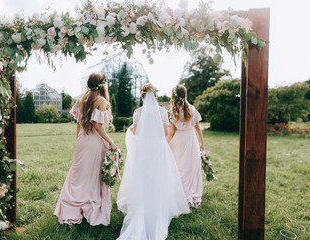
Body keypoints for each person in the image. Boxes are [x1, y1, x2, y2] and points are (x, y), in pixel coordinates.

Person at [117, 83, 189, 240]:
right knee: (157, 178)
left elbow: (135, 133)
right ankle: (157, 206)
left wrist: (130, 130)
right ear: (154, 95)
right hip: (157, 150)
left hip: (143, 151)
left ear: (142, 96)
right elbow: (164, 132)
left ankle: (143, 206)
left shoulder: (138, 112)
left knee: (143, 178)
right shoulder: (162, 111)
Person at [54, 73, 117, 227]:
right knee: (91, 175)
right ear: (102, 85)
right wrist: (111, 142)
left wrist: (78, 141)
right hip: (93, 143)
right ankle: (88, 205)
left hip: (82, 140)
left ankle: (73, 203)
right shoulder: (101, 101)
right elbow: (97, 126)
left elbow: (78, 123)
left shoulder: (81, 98)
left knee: (78, 174)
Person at [167, 85, 204, 208]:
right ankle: (191, 195)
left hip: (179, 141)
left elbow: (171, 133)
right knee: (192, 168)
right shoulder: (192, 109)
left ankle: (183, 197)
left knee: (180, 168)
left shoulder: (173, 111)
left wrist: (163, 144)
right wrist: (202, 143)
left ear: (173, 96)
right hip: (191, 139)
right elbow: (198, 128)